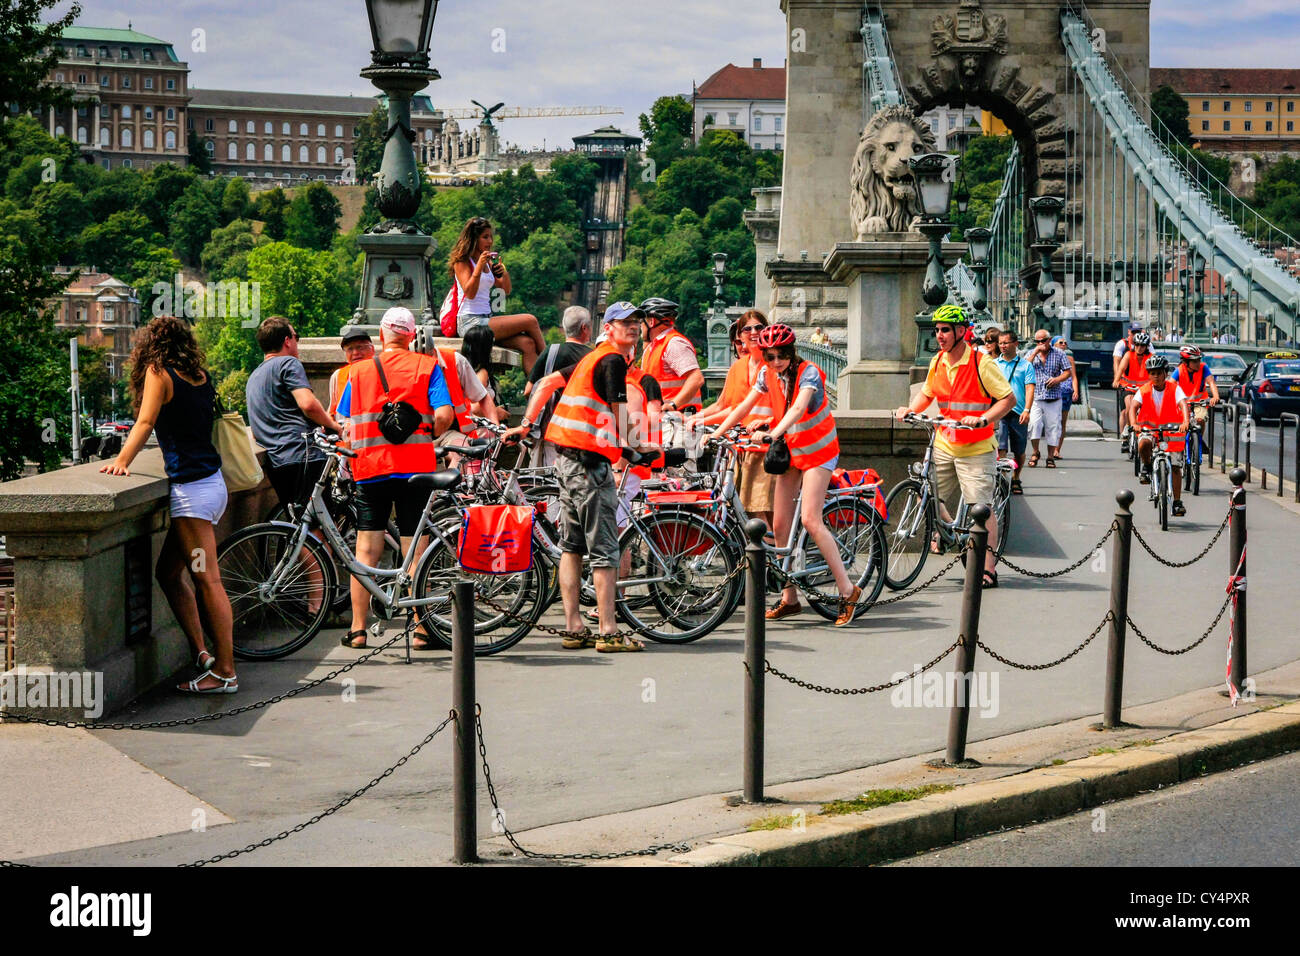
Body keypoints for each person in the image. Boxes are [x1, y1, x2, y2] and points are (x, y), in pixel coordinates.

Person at [502, 302, 661, 653]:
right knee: (605, 548)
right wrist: (641, 451)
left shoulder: (590, 358)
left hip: (566, 460)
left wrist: (527, 425)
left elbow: (545, 382)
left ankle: (574, 627)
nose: (633, 327)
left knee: (572, 547)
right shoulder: (613, 361)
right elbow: (621, 416)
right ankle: (608, 630)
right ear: (609, 327)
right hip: (589, 465)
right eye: (625, 323)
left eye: (637, 322)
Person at [101, 316, 237, 694]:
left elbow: (145, 422)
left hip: (191, 496)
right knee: (169, 573)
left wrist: (123, 461)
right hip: (213, 486)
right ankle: (202, 654)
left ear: (149, 343)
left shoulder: (158, 372)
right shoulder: (200, 375)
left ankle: (226, 672)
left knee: (207, 581)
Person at [709, 324, 863, 625]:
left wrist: (773, 433)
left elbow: (797, 409)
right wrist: (716, 433)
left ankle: (848, 590)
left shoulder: (809, 372)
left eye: (781, 355)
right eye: (770, 356)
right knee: (779, 525)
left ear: (791, 353)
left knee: (810, 519)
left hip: (819, 452)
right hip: (793, 451)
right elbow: (743, 406)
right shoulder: (767, 374)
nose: (776, 361)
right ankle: (790, 598)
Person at [335, 307, 456, 650]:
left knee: (366, 549)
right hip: (415, 470)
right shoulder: (427, 366)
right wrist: (428, 432)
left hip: (369, 468)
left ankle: (358, 629)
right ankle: (421, 629)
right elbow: (445, 415)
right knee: (414, 550)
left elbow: (344, 421)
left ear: (383, 335)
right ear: (411, 335)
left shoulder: (357, 372)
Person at [895, 304, 1015, 589]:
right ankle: (951, 533)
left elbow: (1007, 400)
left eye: (945, 330)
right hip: (945, 442)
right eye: (937, 330)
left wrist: (983, 418)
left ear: (961, 332)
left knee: (981, 508)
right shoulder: (937, 361)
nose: (939, 335)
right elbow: (926, 393)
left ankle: (987, 568)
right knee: (931, 493)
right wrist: (909, 410)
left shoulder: (980, 362)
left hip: (976, 447)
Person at [688, 310, 775, 529]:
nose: (752, 334)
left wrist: (704, 424)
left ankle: (770, 560)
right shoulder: (738, 368)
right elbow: (725, 405)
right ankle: (761, 559)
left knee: (760, 511)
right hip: (742, 444)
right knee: (747, 509)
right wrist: (693, 418)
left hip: (765, 446)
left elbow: (737, 410)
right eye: (747, 330)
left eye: (758, 328)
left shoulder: (772, 365)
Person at [246, 315, 341, 515]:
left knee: (300, 523)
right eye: (296, 336)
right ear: (287, 340)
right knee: (319, 527)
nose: (297, 342)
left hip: (277, 462)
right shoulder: (288, 363)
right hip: (302, 455)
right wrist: (334, 426)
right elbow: (308, 404)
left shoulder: (254, 377)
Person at [449, 216, 546, 372]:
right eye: (485, 237)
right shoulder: (462, 262)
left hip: (486, 320)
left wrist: (504, 273)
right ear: (474, 238)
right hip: (470, 323)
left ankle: (538, 390)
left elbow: (505, 289)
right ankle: (551, 364)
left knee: (527, 344)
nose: (490, 241)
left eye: (490, 237)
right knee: (530, 320)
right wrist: (478, 268)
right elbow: (470, 293)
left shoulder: (487, 261)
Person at [526, 306, 593, 466]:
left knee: (545, 483)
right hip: (580, 432)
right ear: (585, 328)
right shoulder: (592, 358)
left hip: (550, 429)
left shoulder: (552, 351)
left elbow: (529, 390)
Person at [1130, 354, 1190, 516]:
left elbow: (1183, 404)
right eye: (1152, 373)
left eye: (1158, 373)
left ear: (1165, 373)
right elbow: (1133, 407)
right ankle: (1147, 466)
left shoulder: (1174, 388)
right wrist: (1134, 424)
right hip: (1149, 429)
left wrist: (1185, 421)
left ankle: (1177, 502)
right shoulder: (1143, 390)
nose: (1155, 376)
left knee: (1176, 466)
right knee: (1143, 444)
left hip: (1172, 430)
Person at [638, 297, 705, 416]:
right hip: (662, 419)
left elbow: (696, 379)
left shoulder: (674, 344)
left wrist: (673, 405)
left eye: (641, 323)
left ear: (651, 322)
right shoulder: (653, 347)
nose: (640, 328)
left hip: (680, 419)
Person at [993, 329, 1034, 494]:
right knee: (1001, 446)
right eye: (1000, 343)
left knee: (1019, 450)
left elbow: (1030, 388)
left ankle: (1016, 477)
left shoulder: (1026, 365)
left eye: (1006, 343)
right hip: (1000, 411)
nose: (1002, 346)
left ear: (1015, 344)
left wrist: (1027, 409)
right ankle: (1003, 478)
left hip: (1018, 411)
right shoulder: (994, 364)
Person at [1026, 328, 1071, 468]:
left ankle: (1050, 456)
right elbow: (1024, 367)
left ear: (1049, 340)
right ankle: (1035, 452)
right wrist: (1035, 352)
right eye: (1037, 341)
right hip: (1036, 397)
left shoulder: (1059, 353)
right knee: (1034, 424)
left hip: (1053, 397)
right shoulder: (1031, 354)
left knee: (1053, 428)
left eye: (1043, 341)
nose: (1040, 343)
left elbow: (1067, 372)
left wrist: (1057, 380)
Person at [1170, 344, 1220, 469]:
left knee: (1200, 419)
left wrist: (1215, 396)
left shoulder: (1203, 368)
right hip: (1183, 404)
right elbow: (1170, 385)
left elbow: (1211, 382)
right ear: (1186, 362)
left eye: (1199, 360)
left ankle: (1198, 441)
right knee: (1180, 425)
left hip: (1199, 402)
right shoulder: (1179, 370)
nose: (1198, 363)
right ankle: (1181, 446)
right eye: (1194, 361)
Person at [461, 325, 510, 425]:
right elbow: (474, 407)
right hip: (480, 428)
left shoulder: (464, 369)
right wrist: (495, 412)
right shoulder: (482, 373)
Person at [1113, 331, 1153, 451]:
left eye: (1142, 346)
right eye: (1137, 345)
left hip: (1144, 389)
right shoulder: (1129, 355)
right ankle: (1126, 432)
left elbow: (1154, 373)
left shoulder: (1150, 357)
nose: (1139, 348)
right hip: (1128, 386)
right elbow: (1121, 368)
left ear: (1146, 347)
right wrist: (1116, 380)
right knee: (1130, 406)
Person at [328, 326, 375, 421]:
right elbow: (332, 411)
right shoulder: (338, 375)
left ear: (372, 349)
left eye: (360, 347)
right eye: (350, 349)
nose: (355, 352)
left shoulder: (381, 370)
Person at [1053, 335, 1080, 460]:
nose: (1064, 344)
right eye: (1060, 342)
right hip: (1053, 392)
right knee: (1053, 422)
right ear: (1054, 345)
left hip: (1066, 393)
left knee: (1062, 422)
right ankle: (1051, 447)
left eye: (1065, 343)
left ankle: (1057, 449)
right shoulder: (1050, 358)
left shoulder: (1069, 359)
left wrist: (1075, 390)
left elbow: (1073, 376)